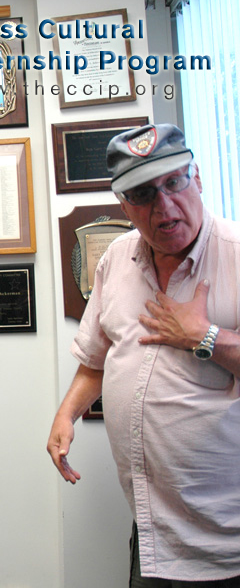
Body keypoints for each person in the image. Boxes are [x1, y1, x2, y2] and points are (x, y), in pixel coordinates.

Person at [47, 124, 240, 586]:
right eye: (142, 193)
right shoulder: (116, 258)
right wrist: (65, 415)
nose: (165, 206)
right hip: (154, 535)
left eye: (174, 182)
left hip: (229, 546)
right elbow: (97, 357)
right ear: (124, 205)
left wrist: (205, 336)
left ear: (197, 178)